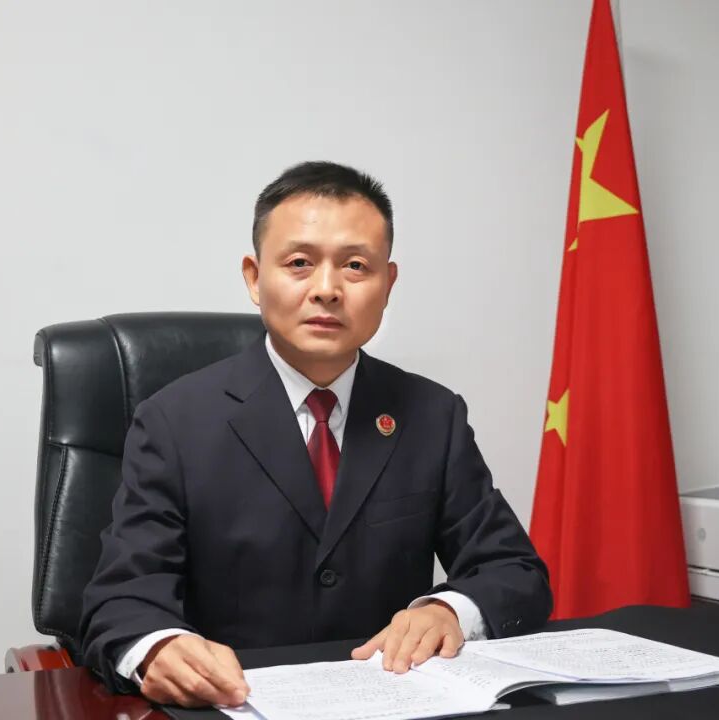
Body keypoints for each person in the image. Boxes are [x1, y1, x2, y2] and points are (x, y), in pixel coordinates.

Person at [79, 161, 552, 708]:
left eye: (355, 266)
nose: (327, 290)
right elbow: (121, 598)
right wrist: (159, 647)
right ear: (254, 277)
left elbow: (515, 572)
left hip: (392, 704)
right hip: (237, 703)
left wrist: (449, 610)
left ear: (388, 284)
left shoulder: (432, 415)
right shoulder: (174, 421)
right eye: (299, 263)